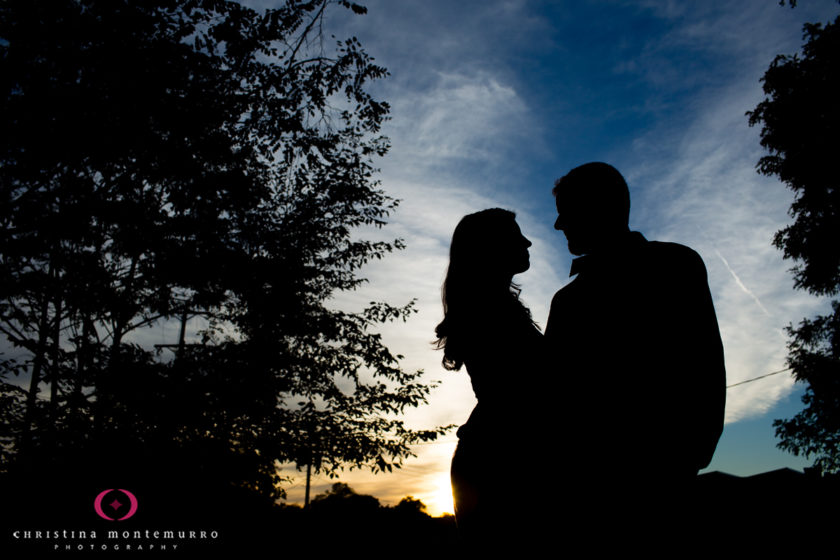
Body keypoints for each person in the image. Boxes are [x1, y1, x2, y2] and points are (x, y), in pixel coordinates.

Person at [544, 162, 726, 532]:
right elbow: (554, 400)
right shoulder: (566, 302)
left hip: (659, 484)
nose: (558, 225)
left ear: (599, 208)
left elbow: (705, 368)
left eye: (566, 213)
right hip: (587, 494)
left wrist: (686, 457)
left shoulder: (676, 265)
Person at [435, 208, 544, 545]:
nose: (527, 241)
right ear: (490, 247)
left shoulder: (492, 308)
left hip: (494, 456)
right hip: (501, 464)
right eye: (515, 236)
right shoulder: (490, 313)